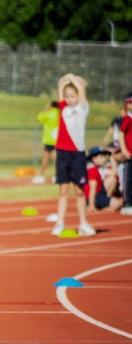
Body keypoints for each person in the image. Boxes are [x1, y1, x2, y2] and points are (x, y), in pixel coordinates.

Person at [51, 74, 94, 237]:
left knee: (79, 191)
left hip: (77, 154)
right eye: (67, 97)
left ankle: (83, 223)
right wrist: (64, 83)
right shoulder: (63, 108)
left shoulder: (82, 108)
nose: (69, 99)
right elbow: (60, 86)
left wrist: (72, 78)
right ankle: (60, 222)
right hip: (62, 153)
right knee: (63, 190)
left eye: (72, 96)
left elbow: (81, 89)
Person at [84, 147, 123, 212]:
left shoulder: (100, 168)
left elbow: (114, 173)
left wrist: (112, 158)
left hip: (99, 194)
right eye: (101, 157)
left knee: (112, 179)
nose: (104, 159)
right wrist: (91, 205)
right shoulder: (92, 169)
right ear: (94, 158)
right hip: (92, 197)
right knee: (119, 203)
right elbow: (92, 187)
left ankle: (106, 202)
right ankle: (97, 206)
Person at [34, 101, 60, 184]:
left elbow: (38, 117)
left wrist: (44, 109)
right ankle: (57, 175)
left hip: (49, 139)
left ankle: (41, 175)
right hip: (58, 139)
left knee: (46, 158)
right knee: (57, 158)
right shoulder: (59, 114)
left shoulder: (48, 114)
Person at [119, 92, 132, 215]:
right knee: (129, 179)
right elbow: (121, 133)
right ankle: (127, 203)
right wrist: (123, 149)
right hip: (130, 154)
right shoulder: (128, 118)